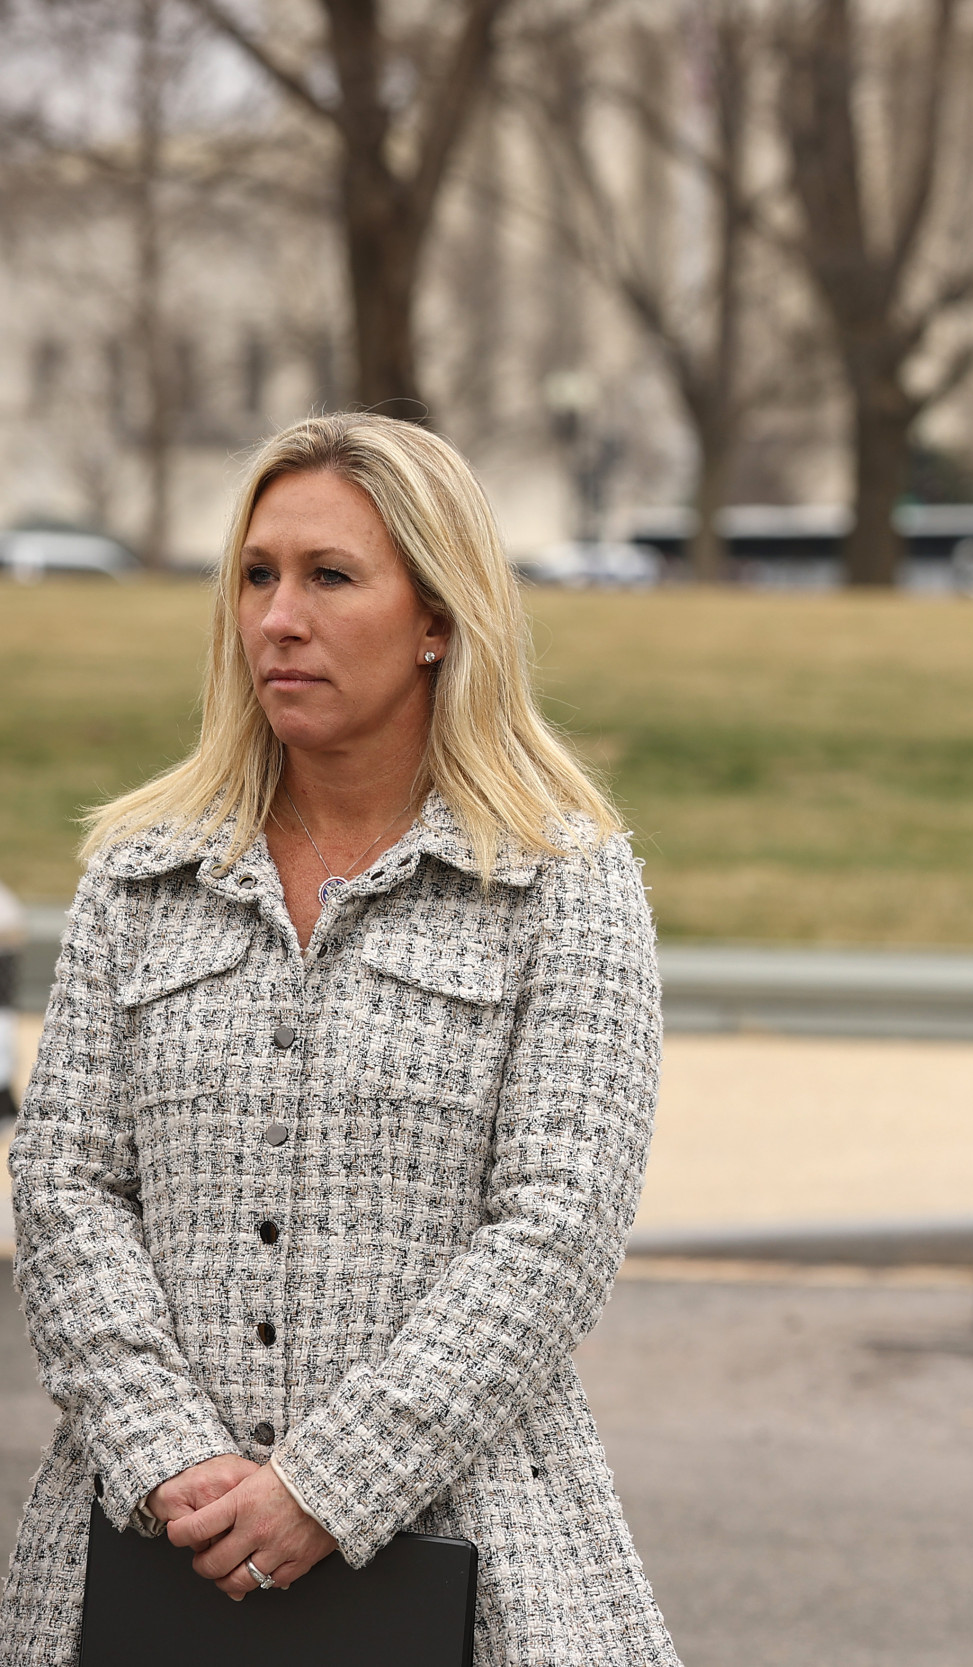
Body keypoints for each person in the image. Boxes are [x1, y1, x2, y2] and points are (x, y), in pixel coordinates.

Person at [3, 412, 681, 1667]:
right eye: (257, 575)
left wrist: (328, 1483)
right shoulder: (141, 876)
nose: (277, 617)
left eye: (329, 576)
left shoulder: (561, 883)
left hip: (481, 1554)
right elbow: (62, 1189)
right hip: (141, 1556)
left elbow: (559, 1222)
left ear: (437, 616)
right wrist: (171, 1458)